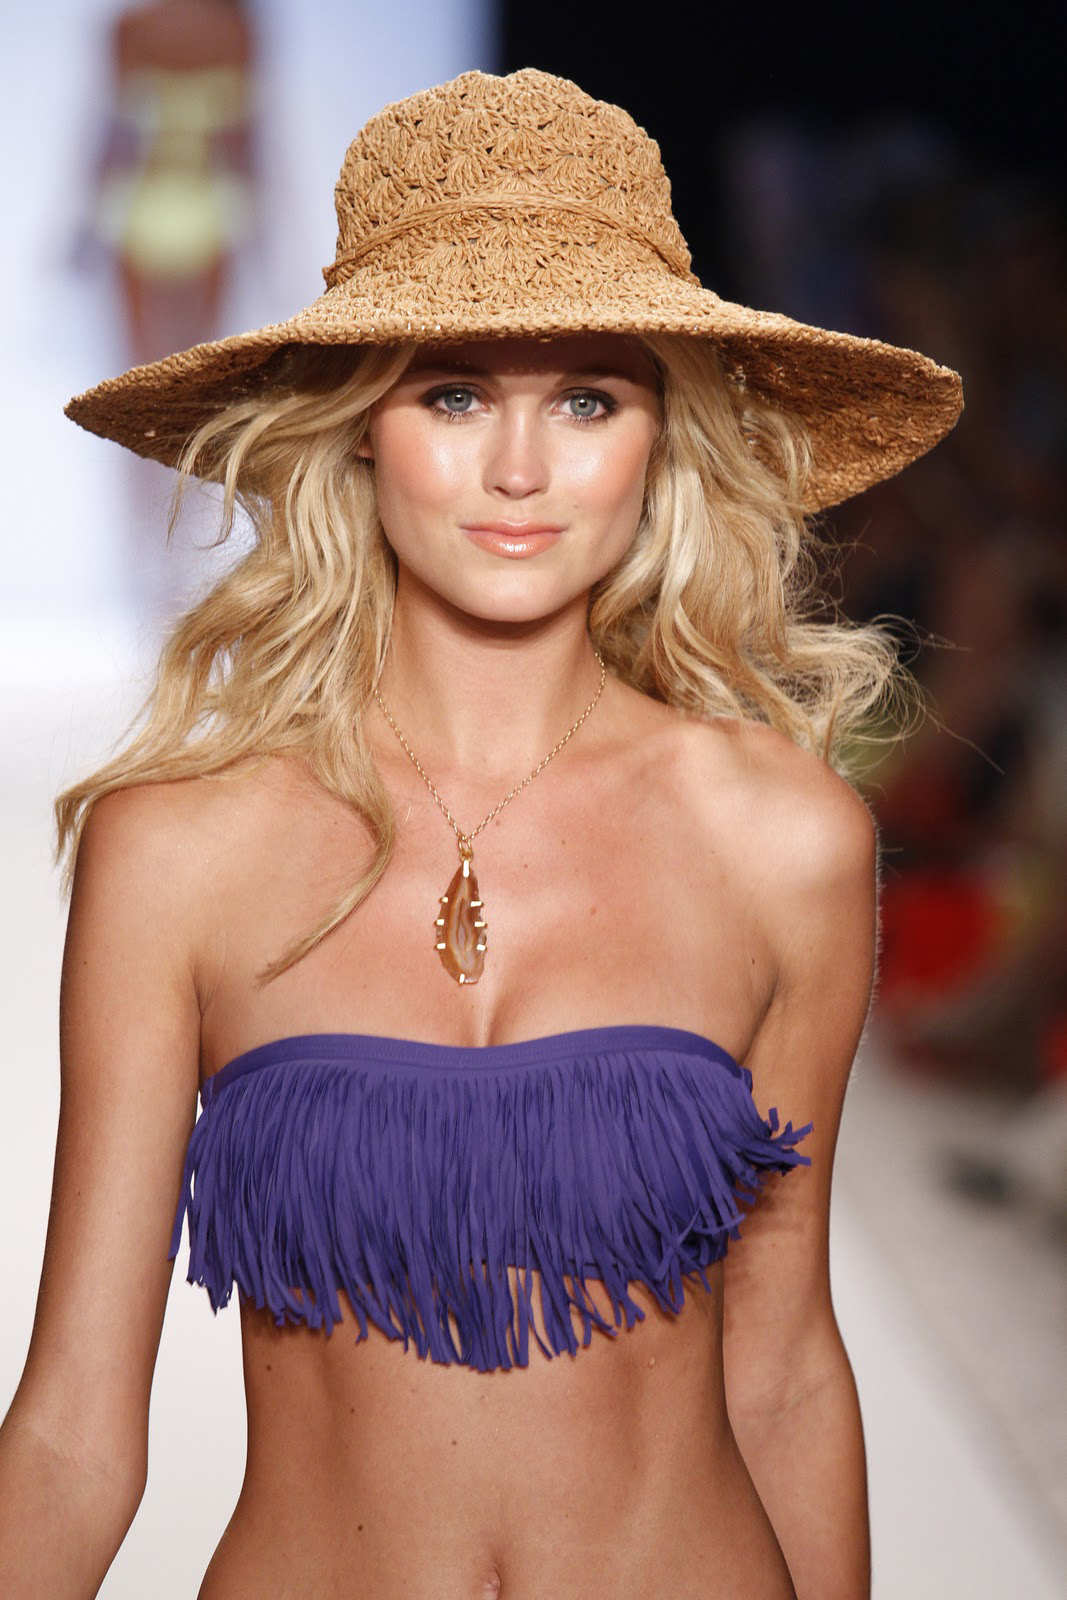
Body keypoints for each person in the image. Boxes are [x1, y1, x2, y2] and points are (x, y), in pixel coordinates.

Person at [0, 67, 962, 1600]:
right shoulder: (177, 848)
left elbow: (781, 1367)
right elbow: (69, 1430)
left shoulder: (780, 839)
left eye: (588, 398)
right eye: (452, 394)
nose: (521, 468)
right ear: (354, 428)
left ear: (662, 437)